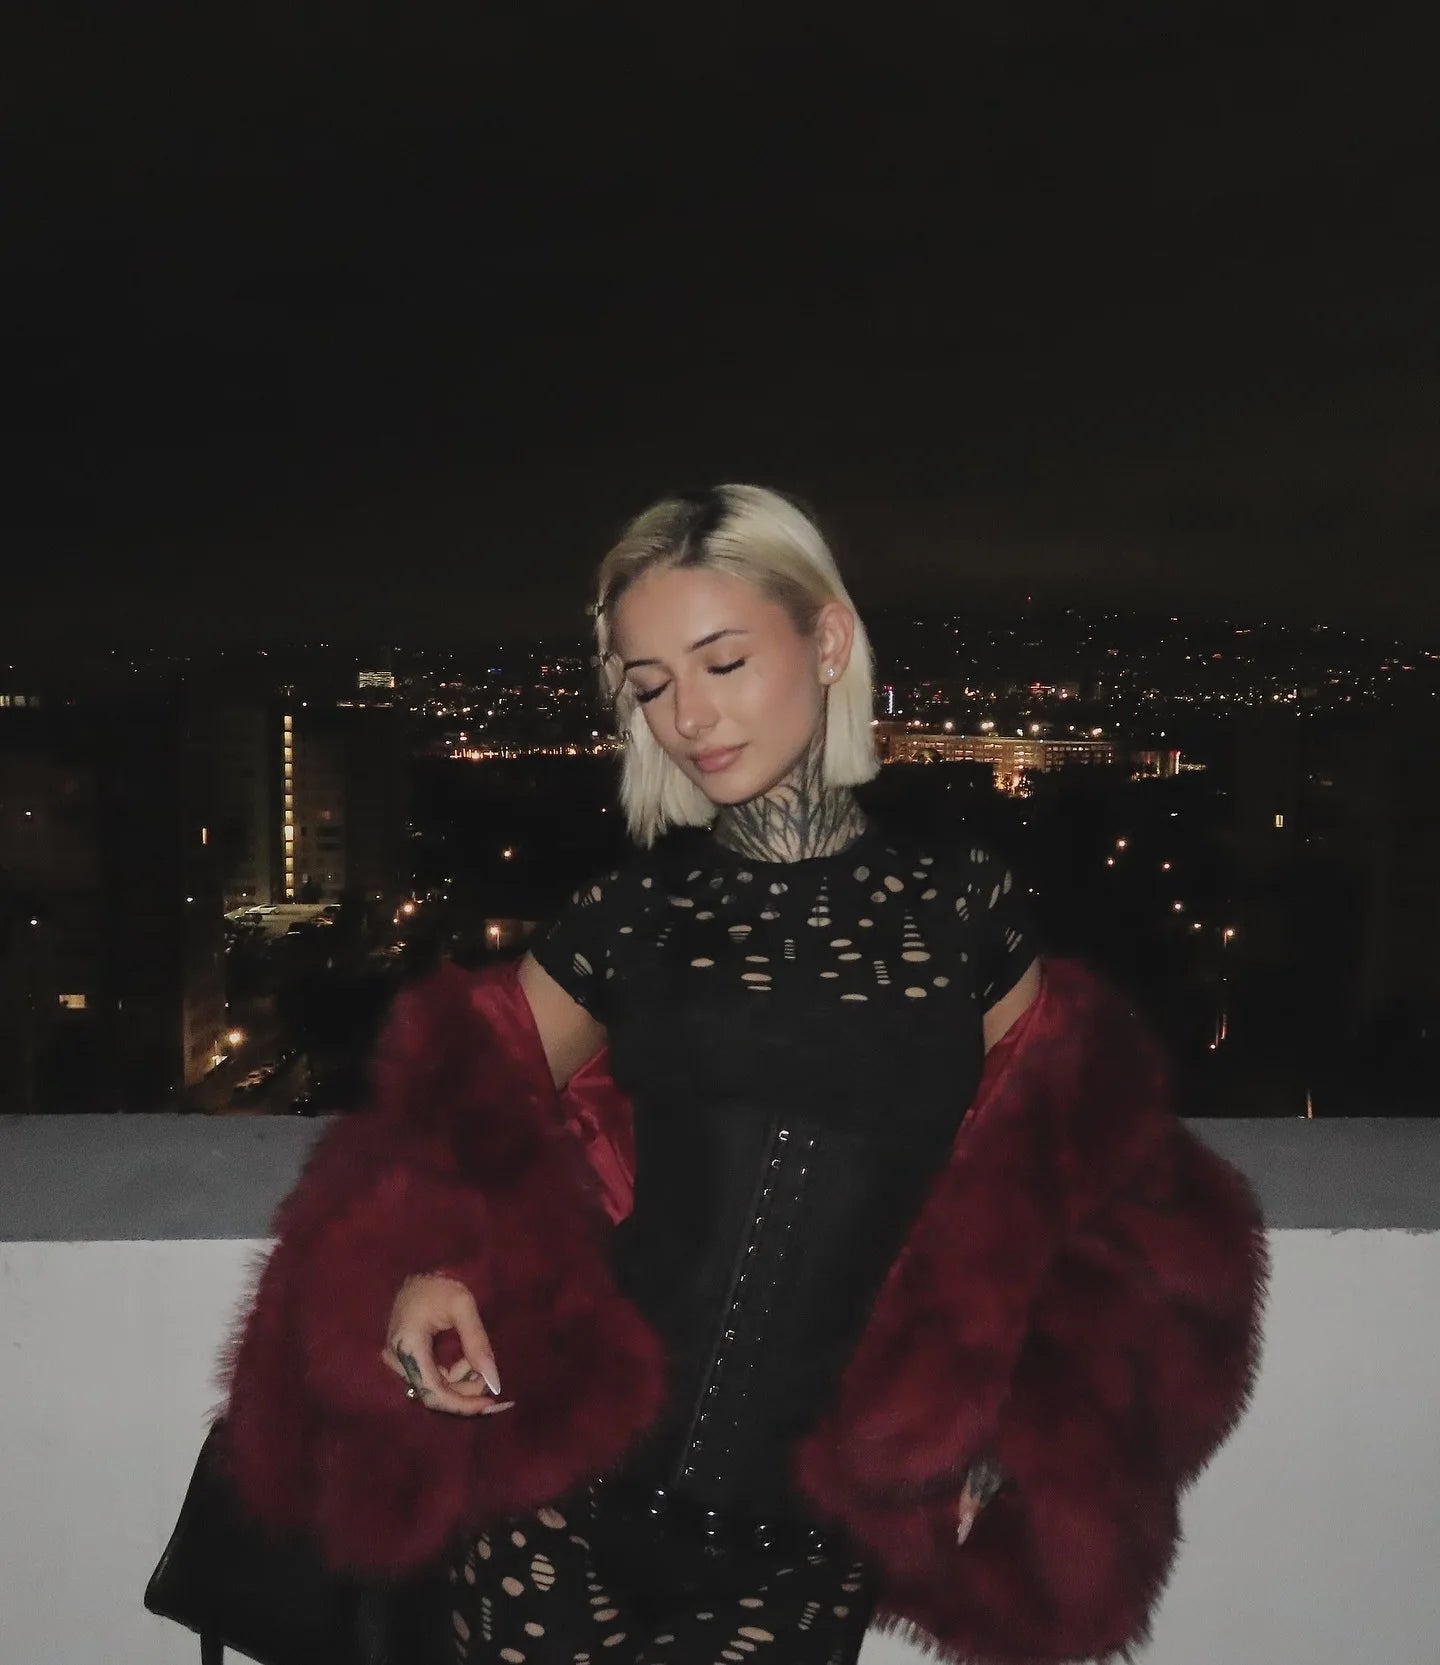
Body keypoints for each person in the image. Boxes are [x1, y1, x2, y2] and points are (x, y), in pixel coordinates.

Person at [221, 486, 1266, 1665]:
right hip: (563, 1483)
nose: (689, 716)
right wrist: (430, 1255)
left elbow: (1079, 1176)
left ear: (827, 641)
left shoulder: (964, 909)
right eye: (651, 683)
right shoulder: (633, 911)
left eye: (723, 662)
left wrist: (1015, 1406)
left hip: (810, 1528)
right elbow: (459, 1094)